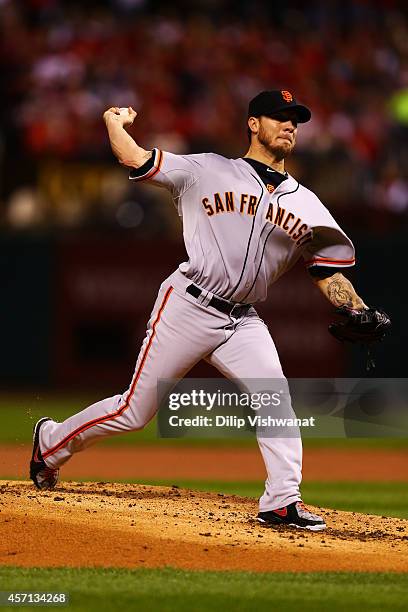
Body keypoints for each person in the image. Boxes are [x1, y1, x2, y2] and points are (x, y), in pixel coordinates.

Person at [30, 90, 370, 532]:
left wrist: (358, 308)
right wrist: (115, 124)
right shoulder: (207, 169)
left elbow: (326, 271)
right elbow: (136, 159)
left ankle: (282, 500)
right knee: (134, 411)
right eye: (279, 117)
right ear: (253, 123)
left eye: (295, 120)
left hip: (242, 319)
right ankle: (50, 441)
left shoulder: (307, 204)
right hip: (189, 304)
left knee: (275, 399)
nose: (290, 125)